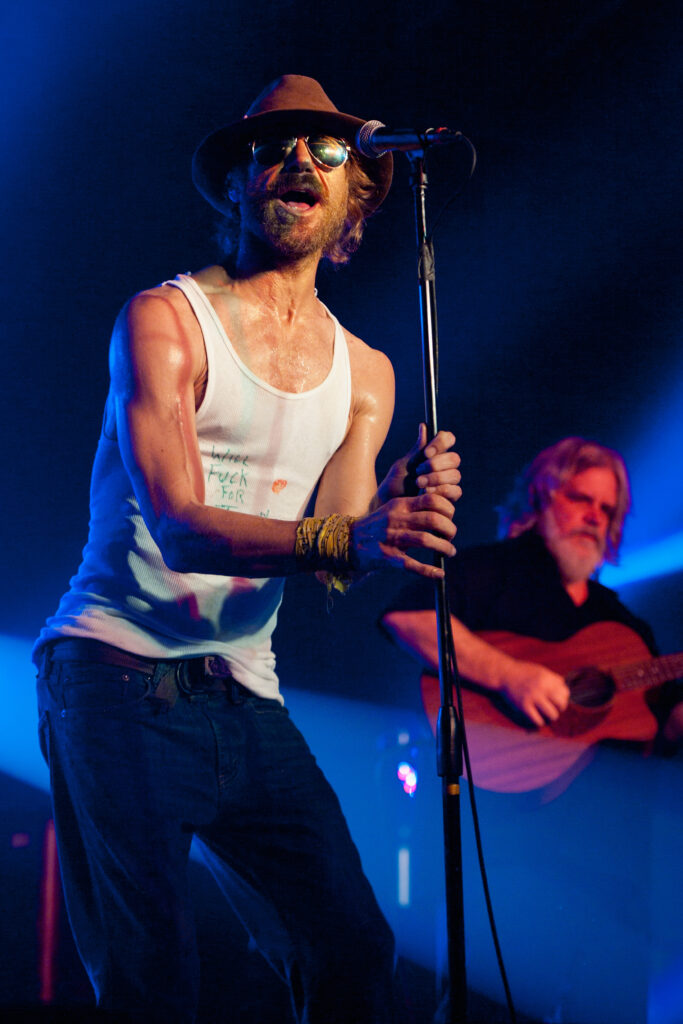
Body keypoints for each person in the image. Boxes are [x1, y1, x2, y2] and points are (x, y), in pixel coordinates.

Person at [33, 75, 463, 1024]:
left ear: (353, 196)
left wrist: (388, 518)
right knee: (154, 983)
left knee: (352, 951)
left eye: (327, 149)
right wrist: (348, 535)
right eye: (274, 147)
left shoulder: (367, 374)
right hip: (114, 675)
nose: (299, 161)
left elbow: (335, 560)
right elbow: (180, 527)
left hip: (243, 691)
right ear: (236, 183)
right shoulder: (164, 320)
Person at [383, 436, 682, 745]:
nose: (594, 517)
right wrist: (510, 676)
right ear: (540, 499)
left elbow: (669, 721)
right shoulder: (496, 568)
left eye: (606, 509)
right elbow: (408, 617)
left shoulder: (622, 623)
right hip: (497, 760)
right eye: (581, 499)